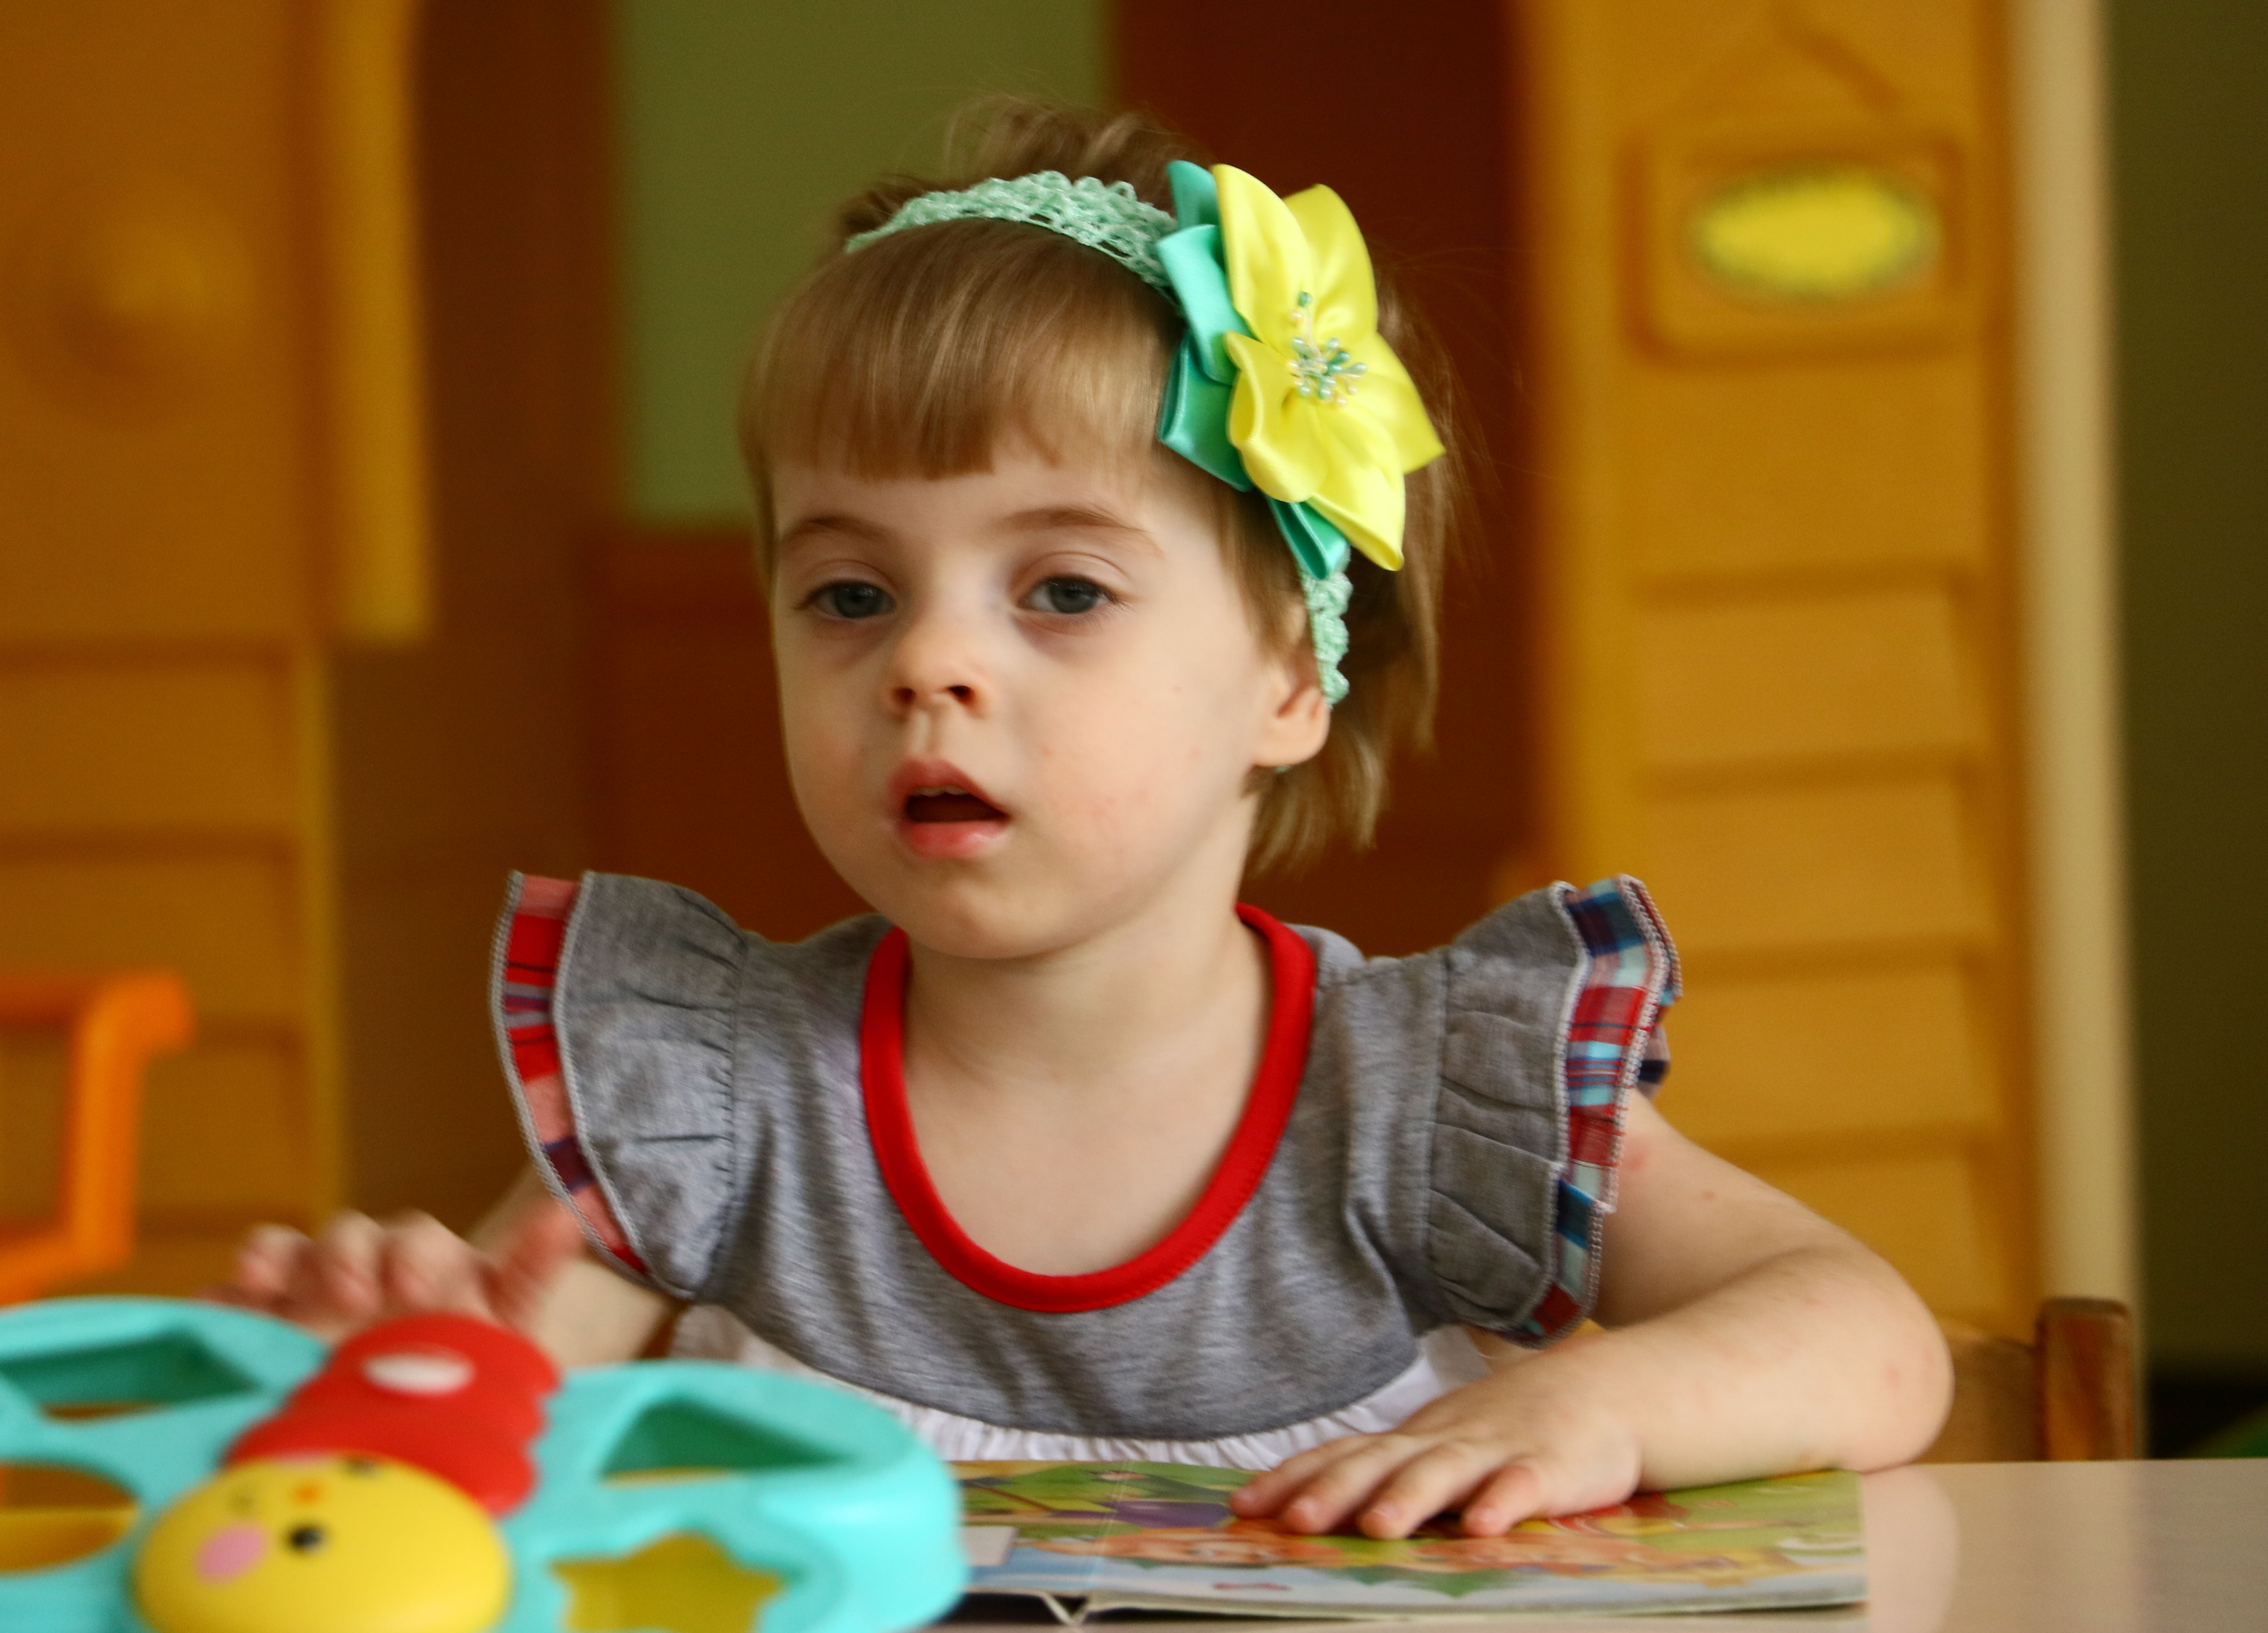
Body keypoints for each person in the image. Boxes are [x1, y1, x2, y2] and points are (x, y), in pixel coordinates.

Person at [221, 99, 1950, 1542]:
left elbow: (1873, 1337)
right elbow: (482, 1429)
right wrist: (400, 1369)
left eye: (1061, 589)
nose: (928, 662)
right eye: (848, 595)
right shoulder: (712, 1095)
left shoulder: (1423, 1097)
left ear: (1289, 679)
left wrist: (1602, 1406)